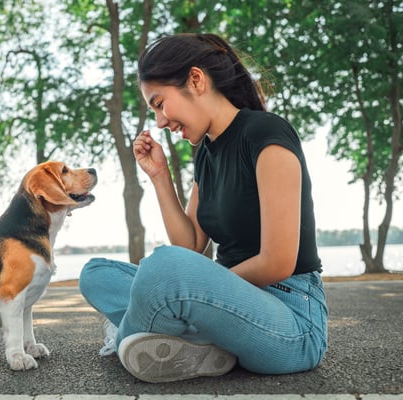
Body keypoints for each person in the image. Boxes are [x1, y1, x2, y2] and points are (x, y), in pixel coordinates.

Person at [78, 33, 328, 383]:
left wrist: (197, 290)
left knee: (163, 268)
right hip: (223, 303)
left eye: (160, 103)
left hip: (290, 319)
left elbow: (279, 261)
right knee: (95, 273)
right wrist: (160, 177)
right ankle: (189, 339)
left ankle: (134, 339)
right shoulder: (206, 154)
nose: (161, 122)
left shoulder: (265, 134)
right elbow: (192, 246)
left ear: (196, 80)